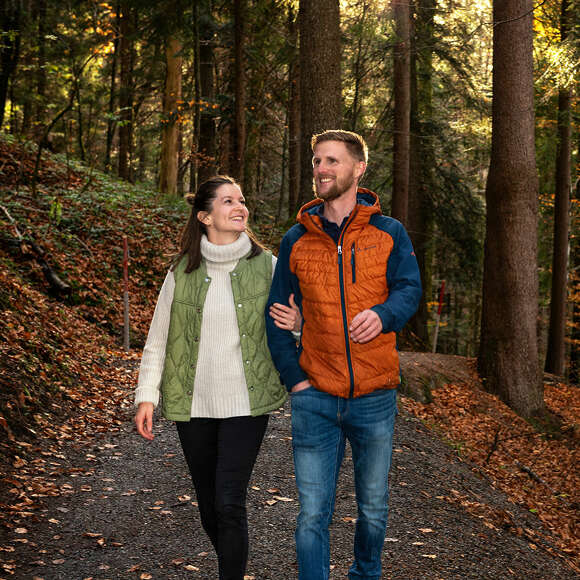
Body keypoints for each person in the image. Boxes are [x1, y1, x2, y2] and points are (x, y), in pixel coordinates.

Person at [266, 130, 422, 580]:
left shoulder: (389, 232)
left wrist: (384, 314)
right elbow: (277, 316)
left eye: (332, 161)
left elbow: (409, 289)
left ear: (358, 169)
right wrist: (295, 378)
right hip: (314, 395)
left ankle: (365, 574)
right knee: (312, 514)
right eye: (317, 161)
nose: (321, 170)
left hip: (374, 396)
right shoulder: (296, 238)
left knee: (373, 509)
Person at [134, 175, 300, 580]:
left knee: (229, 501)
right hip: (194, 403)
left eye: (241, 200)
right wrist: (146, 396)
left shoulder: (269, 267)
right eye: (228, 201)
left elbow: (295, 326)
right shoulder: (181, 271)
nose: (240, 206)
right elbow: (159, 339)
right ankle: (232, 560)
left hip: (247, 401)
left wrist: (299, 325)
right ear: (206, 215)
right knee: (209, 504)